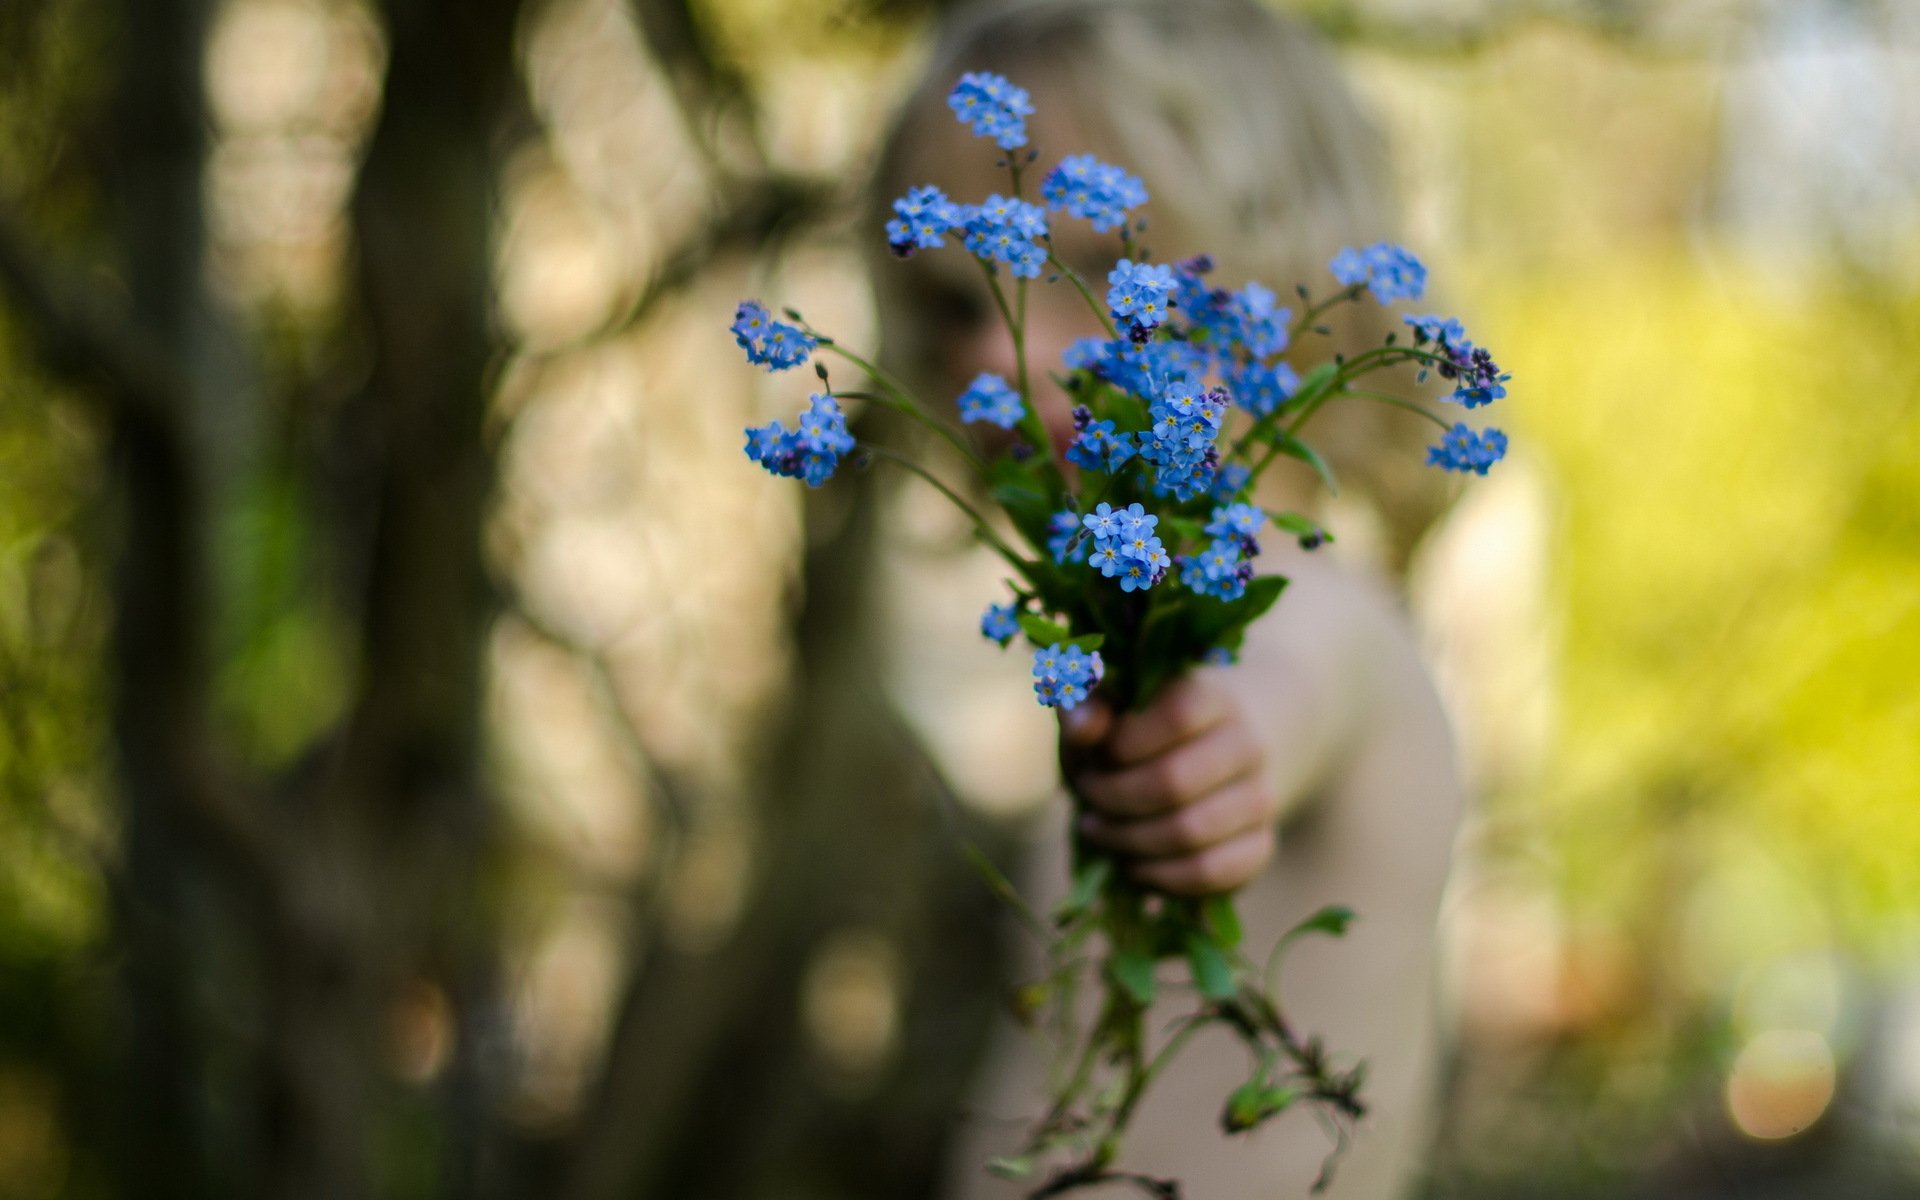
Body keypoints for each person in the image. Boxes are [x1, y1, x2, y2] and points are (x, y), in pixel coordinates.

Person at [865, 2, 1467, 1196]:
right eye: (954, 304)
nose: (999, 354)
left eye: (1091, 271)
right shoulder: (1139, 653)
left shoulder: (1308, 614)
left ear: (1279, 276)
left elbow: (1279, 685)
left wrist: (1216, 754)